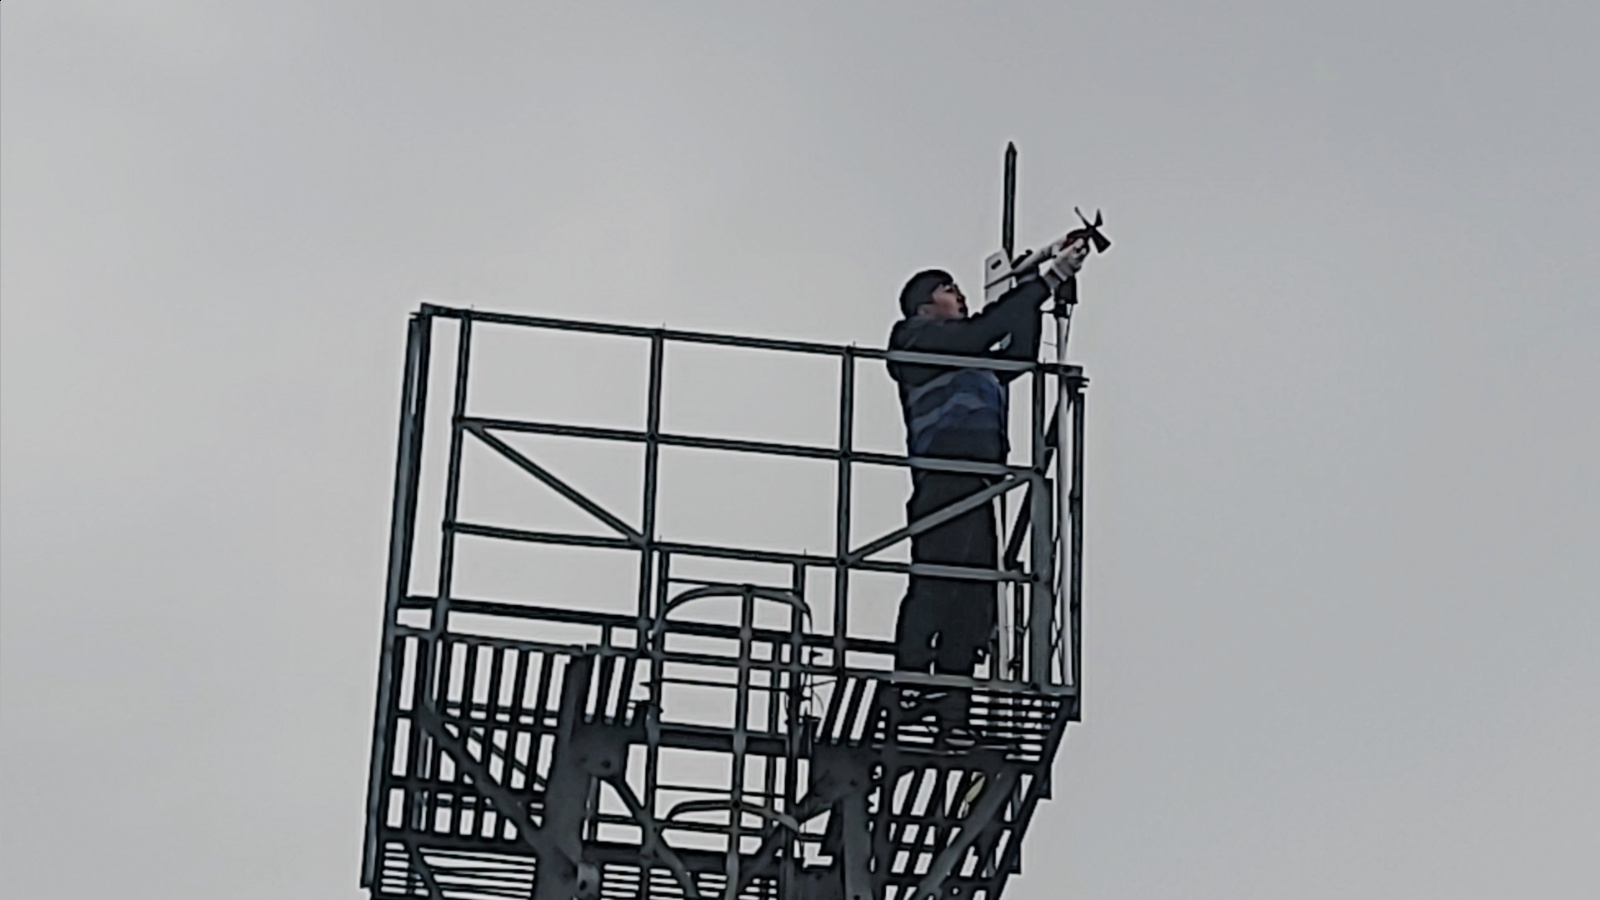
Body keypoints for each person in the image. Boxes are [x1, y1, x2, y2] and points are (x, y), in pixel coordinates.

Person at [887, 237, 1089, 707]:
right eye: (948, 289)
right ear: (922, 307)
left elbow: (1017, 354)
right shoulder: (914, 341)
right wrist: (1045, 282)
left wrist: (1030, 288)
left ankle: (952, 699)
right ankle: (911, 680)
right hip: (944, 477)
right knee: (938, 580)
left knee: (975, 596)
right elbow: (981, 332)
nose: (959, 295)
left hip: (981, 484)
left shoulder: (967, 355)